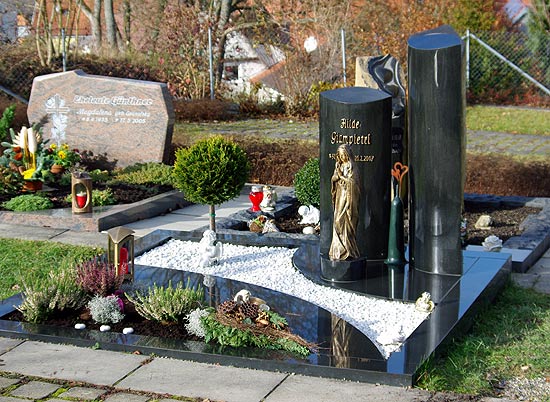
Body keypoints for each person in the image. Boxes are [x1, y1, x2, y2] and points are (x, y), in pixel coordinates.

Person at [329, 144, 361, 261]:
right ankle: (338, 249)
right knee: (337, 220)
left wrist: (341, 177)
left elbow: (353, 183)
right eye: (340, 155)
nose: (342, 157)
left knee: (347, 219)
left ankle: (349, 249)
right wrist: (336, 177)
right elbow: (334, 178)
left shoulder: (352, 167)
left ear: (348, 155)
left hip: (349, 197)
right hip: (340, 195)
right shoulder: (339, 165)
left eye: (344, 155)